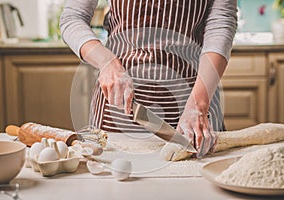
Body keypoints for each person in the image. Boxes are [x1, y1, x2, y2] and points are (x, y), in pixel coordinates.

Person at [60, 0, 237, 157]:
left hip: (194, 102)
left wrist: (198, 105)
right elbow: (73, 18)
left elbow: (221, 24)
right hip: (119, 108)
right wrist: (106, 62)